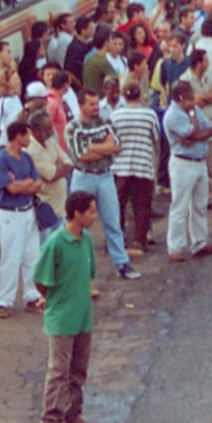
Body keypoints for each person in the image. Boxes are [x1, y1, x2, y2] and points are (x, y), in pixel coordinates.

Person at [35, 191, 102, 423]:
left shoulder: (86, 240)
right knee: (58, 371)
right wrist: (53, 299)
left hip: (82, 315)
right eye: (91, 211)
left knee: (78, 370)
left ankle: (72, 415)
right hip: (62, 317)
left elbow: (89, 274)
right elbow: (41, 280)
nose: (95, 216)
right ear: (77, 213)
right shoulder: (56, 243)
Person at [66, 90, 140, 280]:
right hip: (84, 176)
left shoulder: (106, 121)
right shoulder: (73, 127)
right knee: (80, 223)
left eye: (96, 103)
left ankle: (121, 263)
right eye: (91, 104)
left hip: (105, 176)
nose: (96, 108)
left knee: (113, 221)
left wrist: (93, 146)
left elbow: (117, 146)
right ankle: (79, 265)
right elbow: (81, 155)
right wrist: (105, 147)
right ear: (81, 105)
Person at [0, 120, 45, 317]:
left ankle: (33, 297)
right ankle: (4, 301)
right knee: (11, 259)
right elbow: (11, 189)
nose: (29, 138)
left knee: (32, 257)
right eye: (26, 135)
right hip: (10, 215)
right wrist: (26, 184)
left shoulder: (27, 158)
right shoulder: (0, 160)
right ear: (17, 136)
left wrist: (21, 184)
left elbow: (37, 183)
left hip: (28, 212)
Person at [162, 82, 212, 263]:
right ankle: (175, 247)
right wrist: (193, 126)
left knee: (200, 204)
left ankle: (199, 242)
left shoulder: (193, 109)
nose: (194, 99)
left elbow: (209, 129)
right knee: (180, 206)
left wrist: (193, 135)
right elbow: (190, 132)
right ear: (180, 97)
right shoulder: (173, 115)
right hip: (182, 163)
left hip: (199, 161)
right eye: (190, 96)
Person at [109, 84, 161, 256]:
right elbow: (156, 139)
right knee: (142, 205)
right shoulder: (149, 114)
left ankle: (118, 240)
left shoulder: (115, 115)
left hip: (120, 167)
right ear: (139, 96)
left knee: (118, 205)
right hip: (143, 165)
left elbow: (111, 140)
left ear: (124, 96)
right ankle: (139, 240)